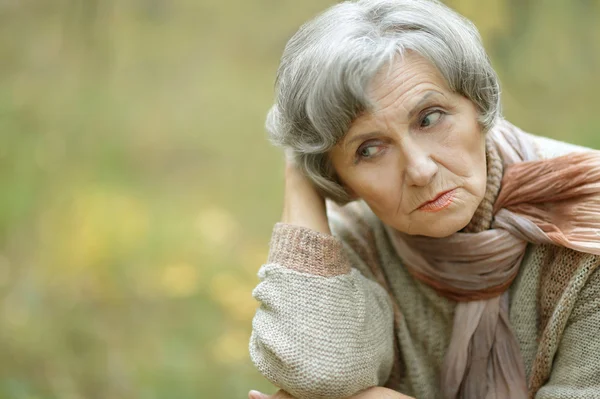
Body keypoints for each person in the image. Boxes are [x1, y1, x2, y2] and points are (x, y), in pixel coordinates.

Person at [247, 0, 600, 398]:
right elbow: (315, 369)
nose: (420, 170)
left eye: (429, 118)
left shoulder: (588, 215)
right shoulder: (353, 241)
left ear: (478, 104)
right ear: (339, 178)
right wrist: (300, 170)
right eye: (368, 149)